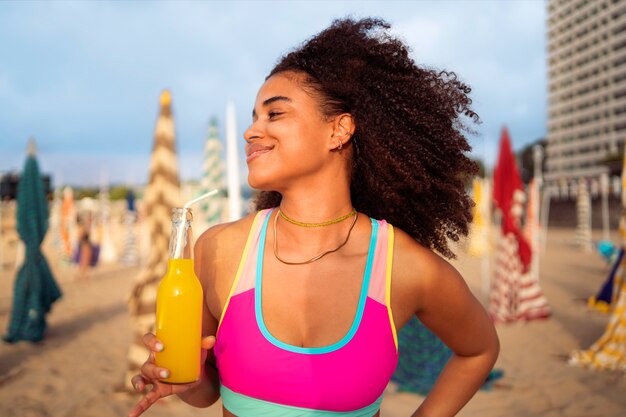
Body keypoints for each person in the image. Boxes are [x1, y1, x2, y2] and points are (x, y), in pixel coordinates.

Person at [128, 17, 499, 417]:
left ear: (339, 130)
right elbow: (206, 393)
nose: (251, 132)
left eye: (274, 114)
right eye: (254, 117)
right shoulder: (220, 249)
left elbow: (479, 349)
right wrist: (188, 378)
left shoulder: (404, 267)